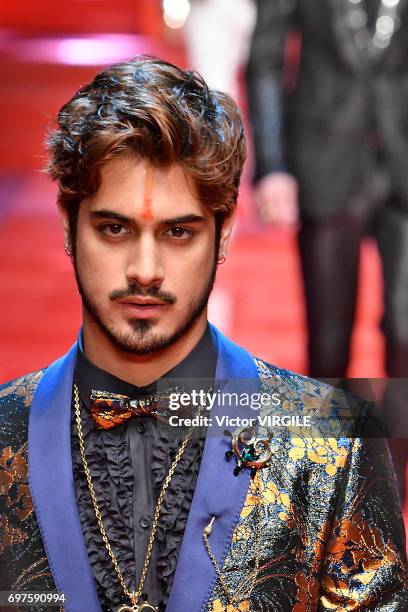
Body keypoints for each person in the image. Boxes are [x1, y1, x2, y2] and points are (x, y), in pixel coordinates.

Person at [0, 57, 406, 612]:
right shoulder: (4, 433)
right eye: (114, 228)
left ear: (223, 235)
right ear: (68, 226)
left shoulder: (333, 443)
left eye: (178, 232)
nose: (145, 268)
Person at [246, 0, 408, 380]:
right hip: (323, 154)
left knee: (406, 337)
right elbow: (266, 58)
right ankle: (334, 440)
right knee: (329, 347)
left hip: (401, 154)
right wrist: (273, 166)